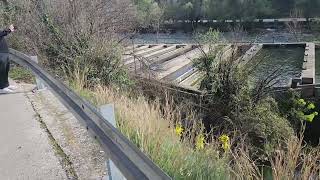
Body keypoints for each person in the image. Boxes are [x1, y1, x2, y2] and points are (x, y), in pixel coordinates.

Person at [0, 24, 15, 93]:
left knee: (6, 70)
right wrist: (9, 30)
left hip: (4, 52)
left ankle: (6, 85)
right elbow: (2, 33)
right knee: (2, 71)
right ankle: (1, 88)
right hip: (1, 53)